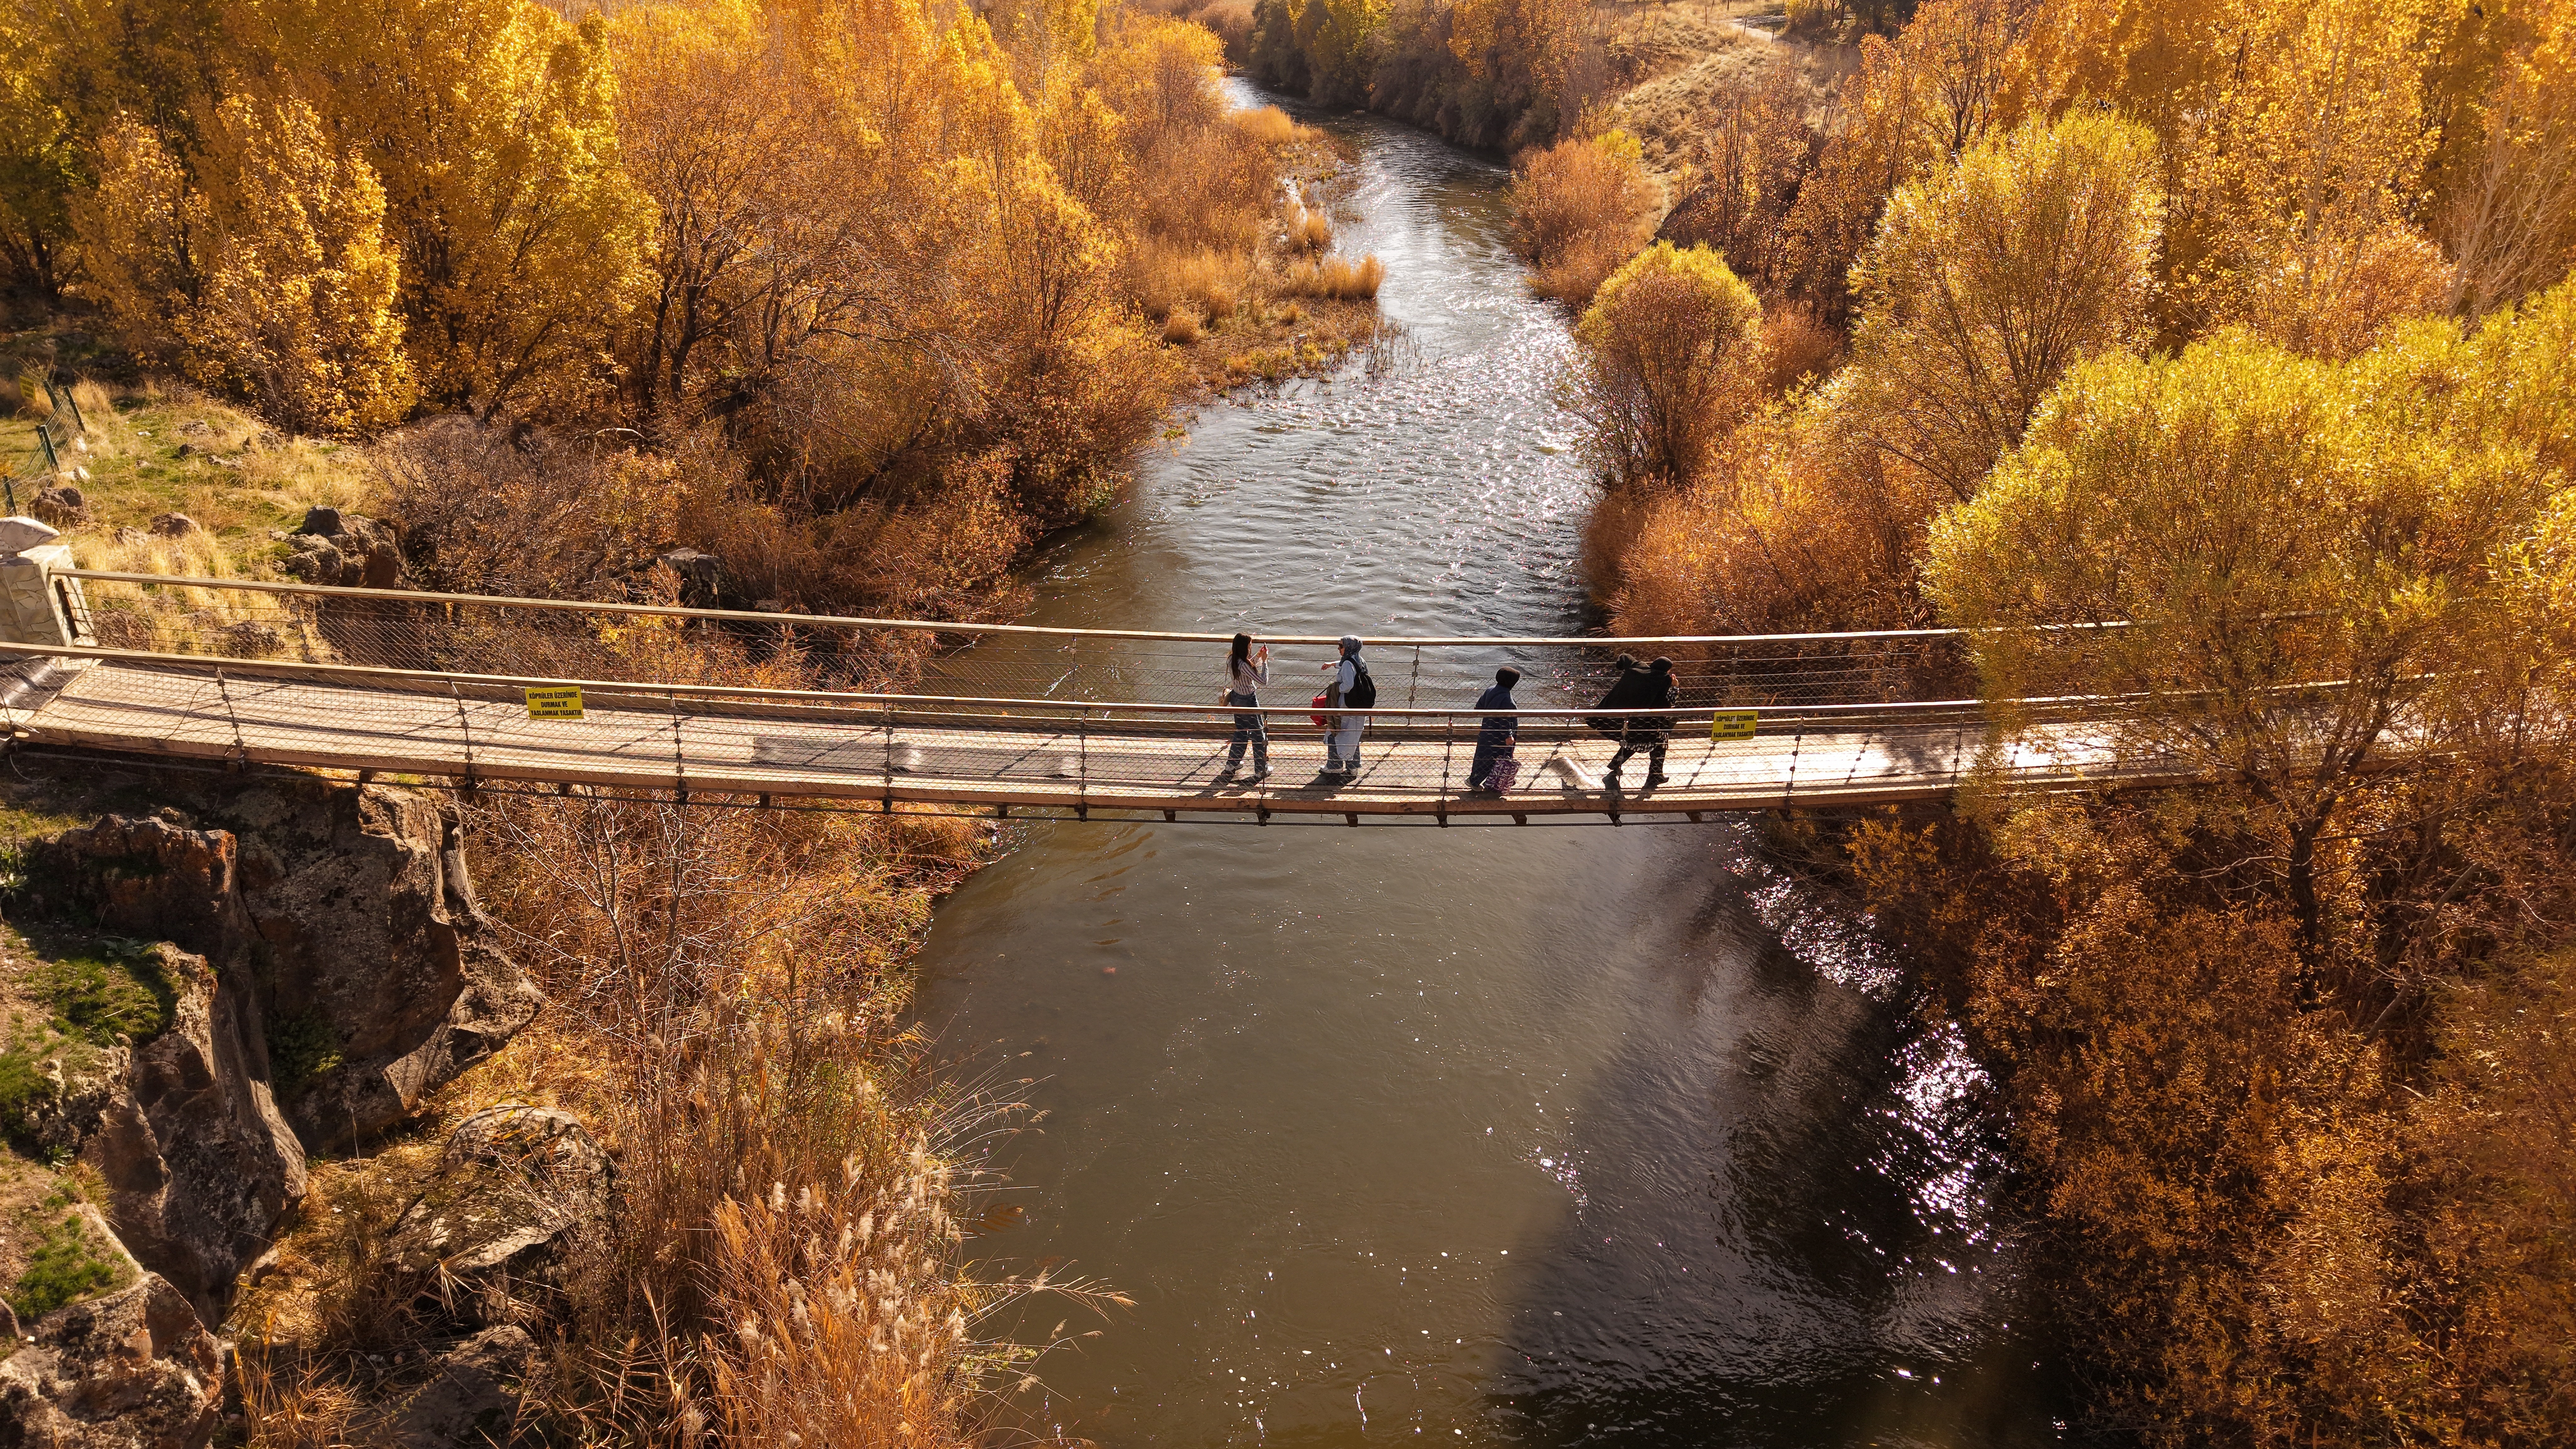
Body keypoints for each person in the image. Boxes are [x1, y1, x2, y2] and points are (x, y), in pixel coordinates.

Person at [1605, 656, 1678, 789]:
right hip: (1655, 725)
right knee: (1659, 746)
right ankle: (1655, 775)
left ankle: (1616, 765)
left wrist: (1620, 666)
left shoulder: (1643, 676)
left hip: (1638, 721)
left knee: (1633, 744)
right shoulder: (1662, 682)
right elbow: (1669, 704)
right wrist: (1675, 687)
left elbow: (1626, 658)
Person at [1217, 632, 1270, 781]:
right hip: (1249, 701)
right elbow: (1263, 680)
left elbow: (1247, 669)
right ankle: (1261, 770)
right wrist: (1265, 662)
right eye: (1250, 646)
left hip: (1236, 698)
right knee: (1259, 735)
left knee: (1241, 732)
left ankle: (1232, 765)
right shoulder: (1244, 665)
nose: (1251, 648)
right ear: (1245, 648)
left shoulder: (1232, 660)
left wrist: (1258, 657)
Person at [1320, 635, 1372, 778]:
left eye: (1341, 646)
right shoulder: (1359, 660)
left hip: (1346, 705)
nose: (1339, 648)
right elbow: (1347, 664)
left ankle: (1334, 766)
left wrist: (1337, 689)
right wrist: (1332, 664)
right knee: (1352, 737)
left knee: (1335, 731)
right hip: (1358, 707)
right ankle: (1353, 767)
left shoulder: (1348, 664)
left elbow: (1348, 685)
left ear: (1348, 648)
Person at [1468, 665, 1520, 791]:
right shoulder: (1508, 700)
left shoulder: (1490, 690)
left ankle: (1476, 779)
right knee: (1502, 757)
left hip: (1487, 731)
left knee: (1483, 757)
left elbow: (1479, 708)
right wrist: (1508, 736)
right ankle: (1476, 782)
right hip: (1500, 737)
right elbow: (1505, 720)